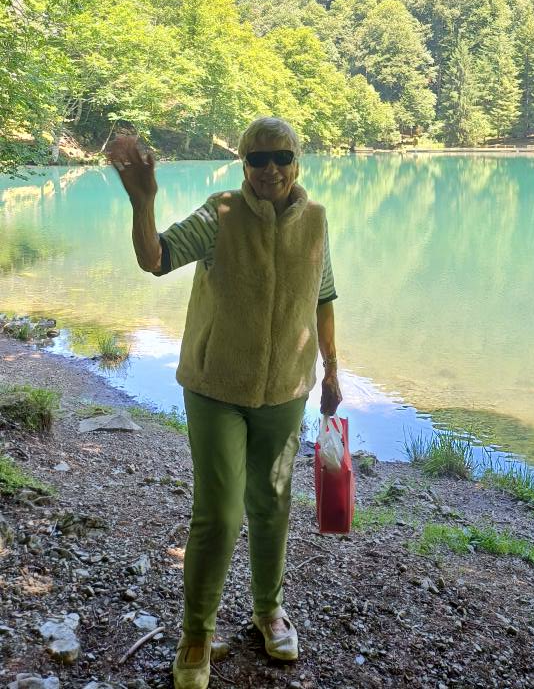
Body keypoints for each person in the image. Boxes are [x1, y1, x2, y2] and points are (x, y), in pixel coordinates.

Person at [108, 117, 342, 689]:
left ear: (297, 162)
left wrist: (332, 368)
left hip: (286, 388)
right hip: (216, 387)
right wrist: (143, 201)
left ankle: (269, 611)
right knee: (219, 512)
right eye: (257, 158)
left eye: (281, 157)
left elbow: (324, 296)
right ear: (243, 164)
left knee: (273, 502)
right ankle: (196, 634)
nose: (270, 169)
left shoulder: (315, 220)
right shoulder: (221, 212)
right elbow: (155, 257)